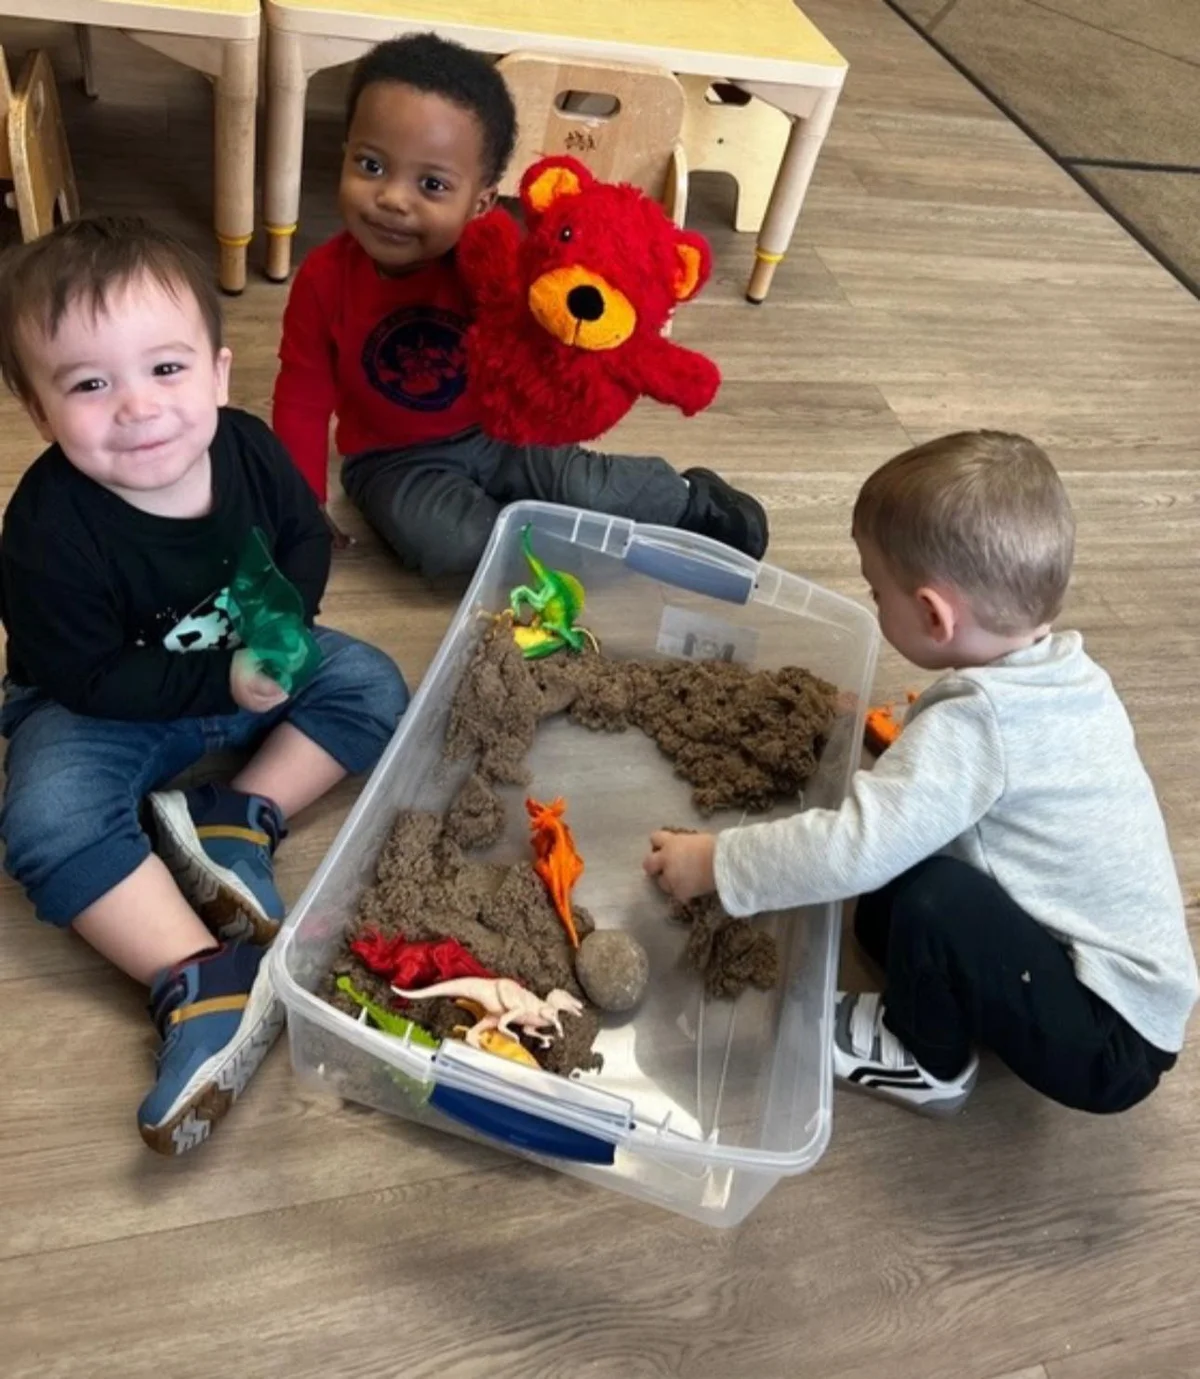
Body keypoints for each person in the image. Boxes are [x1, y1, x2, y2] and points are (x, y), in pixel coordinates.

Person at [0, 217, 409, 1154]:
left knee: (373, 687)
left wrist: (284, 632)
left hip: (237, 675)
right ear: (39, 409)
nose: (138, 408)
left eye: (167, 369)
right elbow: (82, 669)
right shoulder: (48, 528)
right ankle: (198, 973)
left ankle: (238, 815)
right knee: (46, 822)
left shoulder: (251, 452)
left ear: (221, 375)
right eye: (91, 384)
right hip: (96, 706)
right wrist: (223, 677)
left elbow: (304, 539)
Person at [644, 431, 1198, 1117]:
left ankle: (927, 1060)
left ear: (934, 614)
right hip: (1099, 978)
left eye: (877, 591)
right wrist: (910, 739)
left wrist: (718, 863)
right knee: (887, 909)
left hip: (1109, 1040)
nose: (872, 602)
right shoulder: (1064, 673)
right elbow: (990, 773)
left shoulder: (978, 727)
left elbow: (854, 845)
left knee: (929, 896)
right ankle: (971, 989)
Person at [272, 31, 768, 580]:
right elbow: (302, 392)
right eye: (370, 166)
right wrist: (299, 501)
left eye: (432, 184)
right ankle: (537, 543)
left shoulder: (494, 262)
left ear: (481, 202)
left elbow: (557, 331)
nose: (393, 198)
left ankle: (684, 498)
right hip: (391, 458)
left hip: (499, 430)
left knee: (581, 483)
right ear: (344, 157)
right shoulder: (322, 278)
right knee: (450, 544)